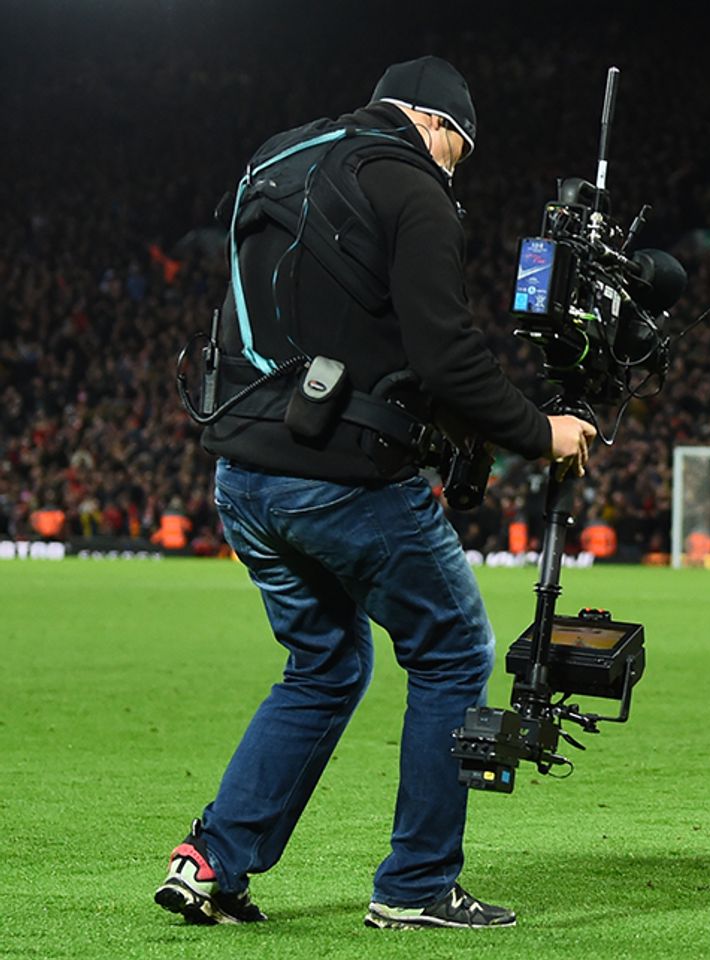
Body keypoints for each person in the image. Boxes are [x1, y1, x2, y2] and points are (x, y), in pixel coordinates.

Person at [153, 56, 596, 929]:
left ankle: (212, 860)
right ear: (439, 126)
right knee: (454, 653)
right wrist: (539, 431)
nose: (453, 171)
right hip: (342, 479)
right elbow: (446, 354)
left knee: (324, 662)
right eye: (458, 153)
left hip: (241, 471)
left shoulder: (277, 157)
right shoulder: (413, 186)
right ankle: (417, 885)